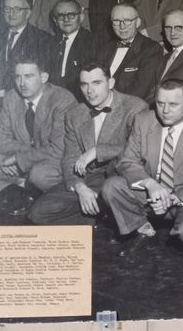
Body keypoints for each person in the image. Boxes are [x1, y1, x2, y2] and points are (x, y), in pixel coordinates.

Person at [102, 79, 183, 250]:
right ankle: (144, 230)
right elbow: (127, 161)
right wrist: (150, 184)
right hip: (152, 193)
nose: (165, 111)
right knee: (111, 186)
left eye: (173, 104)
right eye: (160, 103)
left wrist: (172, 197)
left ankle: (179, 228)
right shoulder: (143, 121)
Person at [29, 62, 147, 225]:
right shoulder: (75, 113)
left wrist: (98, 151)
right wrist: (80, 187)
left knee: (111, 189)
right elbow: (70, 157)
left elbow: (139, 150)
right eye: (85, 84)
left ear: (110, 83)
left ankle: (112, 212)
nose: (90, 91)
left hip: (120, 175)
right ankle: (102, 215)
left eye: (97, 83)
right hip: (91, 177)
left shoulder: (135, 108)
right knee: (38, 213)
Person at [0, 54, 76, 214]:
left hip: (52, 162)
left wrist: (20, 159)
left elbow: (59, 149)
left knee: (39, 176)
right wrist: (13, 157)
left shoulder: (62, 100)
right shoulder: (12, 97)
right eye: (18, 77)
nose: (22, 83)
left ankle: (41, 193)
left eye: (29, 76)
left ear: (44, 77)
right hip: (25, 159)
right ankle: (24, 186)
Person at [0, 0, 53, 97]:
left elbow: (36, 74)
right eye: (7, 9)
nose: (11, 14)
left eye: (17, 9)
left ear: (28, 13)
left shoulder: (42, 38)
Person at [97, 3, 163, 101]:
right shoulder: (105, 47)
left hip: (127, 107)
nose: (122, 26)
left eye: (127, 21)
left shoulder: (151, 49)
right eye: (116, 21)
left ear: (137, 22)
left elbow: (139, 91)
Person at [48, 0, 95, 101]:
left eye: (71, 15)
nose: (66, 20)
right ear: (55, 21)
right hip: (52, 99)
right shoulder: (49, 43)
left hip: (80, 100)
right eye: (61, 16)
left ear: (81, 17)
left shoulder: (92, 42)